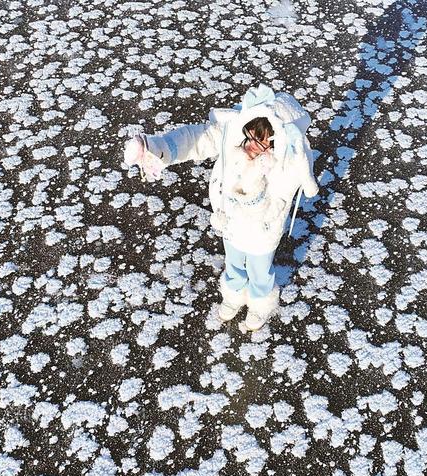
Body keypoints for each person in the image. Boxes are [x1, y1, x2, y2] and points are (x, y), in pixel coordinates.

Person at [123, 84, 320, 332]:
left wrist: (255, 184)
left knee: (260, 271)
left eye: (260, 144)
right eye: (248, 137)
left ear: (277, 142)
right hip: (231, 221)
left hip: (263, 230)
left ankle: (260, 304)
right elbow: (196, 139)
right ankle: (233, 295)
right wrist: (155, 148)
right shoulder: (232, 136)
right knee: (234, 262)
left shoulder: (286, 163)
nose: (250, 147)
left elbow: (274, 201)